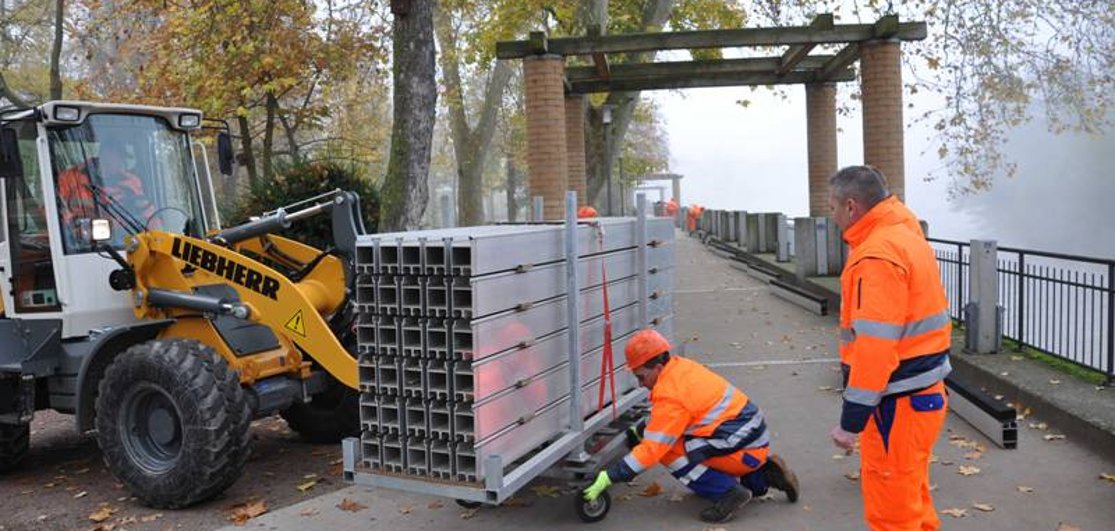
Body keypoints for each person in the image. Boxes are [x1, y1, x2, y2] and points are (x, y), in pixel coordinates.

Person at [827, 166, 952, 530]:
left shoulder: (875, 255)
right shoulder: (904, 235)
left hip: (897, 402)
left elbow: (875, 347)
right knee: (912, 499)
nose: (831, 216)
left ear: (851, 207)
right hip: (921, 394)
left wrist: (852, 422)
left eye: (832, 207)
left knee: (892, 514)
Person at [582, 329, 799, 523]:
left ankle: (729, 493)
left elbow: (654, 448)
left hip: (742, 447)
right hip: (750, 440)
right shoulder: (679, 368)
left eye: (641, 376)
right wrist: (640, 432)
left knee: (669, 452)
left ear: (657, 367)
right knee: (687, 445)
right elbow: (670, 420)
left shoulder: (670, 395)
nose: (640, 383)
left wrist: (609, 476)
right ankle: (764, 475)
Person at [56, 140, 155, 237]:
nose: (121, 164)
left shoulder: (131, 181)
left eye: (122, 159)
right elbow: (57, 209)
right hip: (80, 243)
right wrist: (85, 204)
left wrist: (154, 229)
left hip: (125, 239)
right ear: (104, 155)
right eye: (117, 157)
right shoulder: (71, 177)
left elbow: (148, 213)